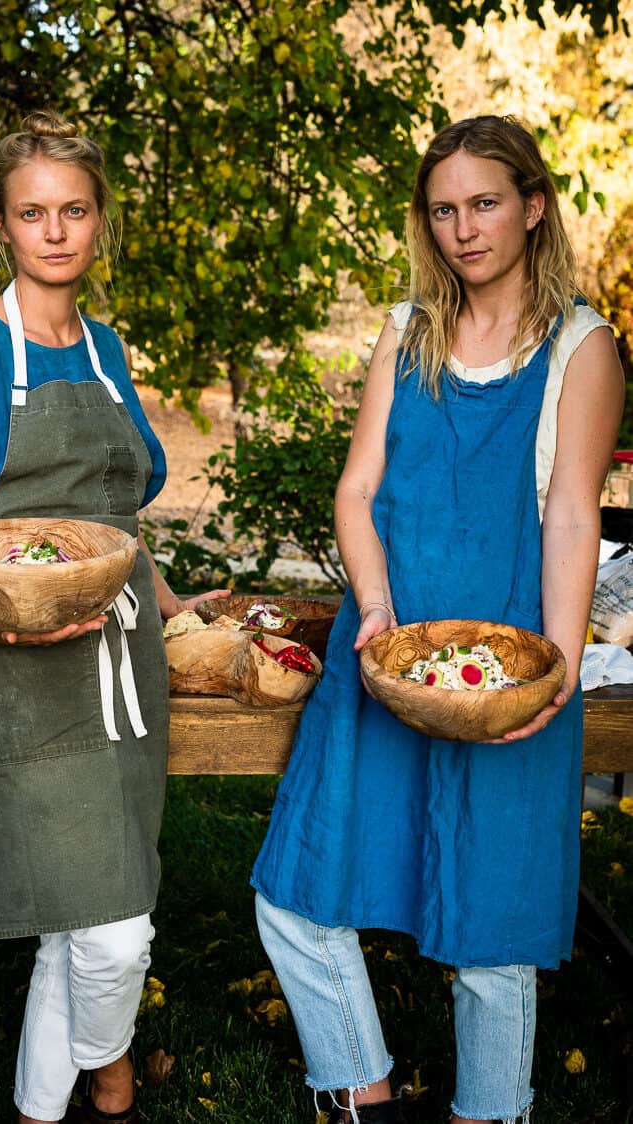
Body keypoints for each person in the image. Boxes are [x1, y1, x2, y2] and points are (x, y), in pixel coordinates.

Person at [250, 115, 625, 1124]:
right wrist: (374, 606)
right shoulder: (407, 329)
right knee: (295, 890)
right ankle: (364, 1095)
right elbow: (356, 490)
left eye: (486, 202)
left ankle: (487, 1111)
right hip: (387, 650)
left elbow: (573, 514)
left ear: (534, 205)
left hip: (507, 655)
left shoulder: (582, 346)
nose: (463, 228)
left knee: (492, 928)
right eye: (444, 208)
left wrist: (548, 666)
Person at [0, 109, 228, 1124]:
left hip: (118, 654)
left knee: (78, 914)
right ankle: (115, 1082)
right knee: (114, 926)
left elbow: (113, 515)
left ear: (99, 221)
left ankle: (43, 1109)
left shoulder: (108, 346)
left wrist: (171, 603)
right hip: (19, 657)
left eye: (74, 210)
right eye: (33, 212)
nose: (55, 231)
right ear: (3, 224)